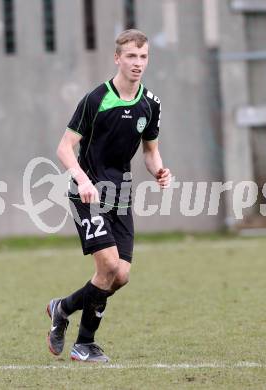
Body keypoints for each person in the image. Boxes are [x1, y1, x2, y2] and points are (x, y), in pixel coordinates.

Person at [46, 29, 171, 363]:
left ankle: (63, 307)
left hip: (121, 194)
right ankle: (84, 344)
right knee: (109, 265)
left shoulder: (151, 104)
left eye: (143, 57)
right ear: (117, 58)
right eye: (131, 56)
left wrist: (159, 169)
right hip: (87, 194)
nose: (137, 63)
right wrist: (83, 180)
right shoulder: (95, 99)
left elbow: (150, 152)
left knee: (121, 276)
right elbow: (64, 147)